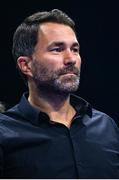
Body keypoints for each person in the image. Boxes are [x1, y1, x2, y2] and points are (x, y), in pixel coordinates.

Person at [0, 9, 119, 179]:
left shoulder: (106, 127)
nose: (71, 59)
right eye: (57, 49)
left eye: (75, 49)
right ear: (26, 65)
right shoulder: (4, 133)